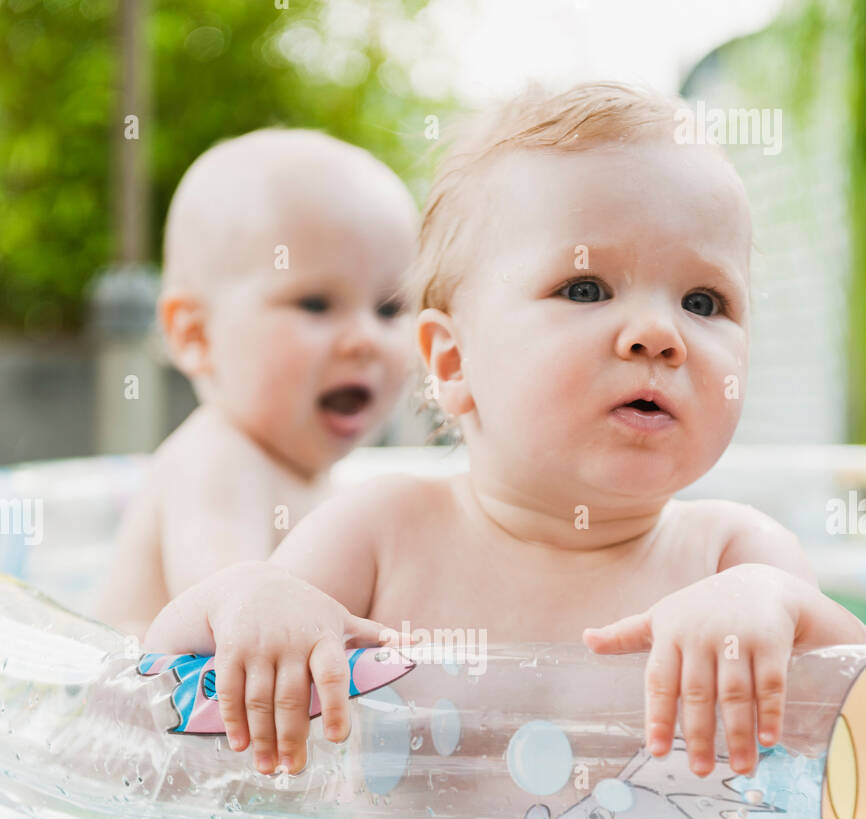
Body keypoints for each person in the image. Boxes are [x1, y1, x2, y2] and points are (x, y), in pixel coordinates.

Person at [144, 83, 866, 776]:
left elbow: (846, 746)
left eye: (704, 301)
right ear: (453, 362)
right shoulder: (378, 534)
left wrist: (786, 613)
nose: (659, 332)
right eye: (585, 288)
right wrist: (246, 600)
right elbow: (166, 704)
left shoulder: (737, 559)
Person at [95, 128, 418, 636]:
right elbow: (236, 615)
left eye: (389, 308)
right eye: (315, 303)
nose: (365, 339)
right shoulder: (218, 460)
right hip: (145, 714)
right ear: (196, 333)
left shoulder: (315, 479)